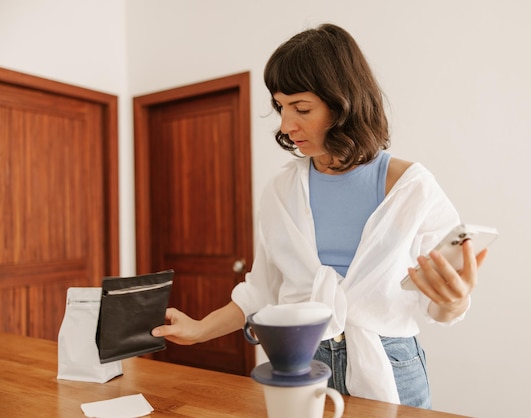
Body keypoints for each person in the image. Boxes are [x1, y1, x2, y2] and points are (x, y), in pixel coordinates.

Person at [152, 23, 488, 408]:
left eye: (301, 108)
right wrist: (198, 331)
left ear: (343, 102)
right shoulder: (281, 191)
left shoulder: (412, 188)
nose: (286, 125)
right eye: (280, 107)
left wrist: (456, 302)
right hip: (301, 359)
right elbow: (261, 290)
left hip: (392, 363)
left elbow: (441, 305)